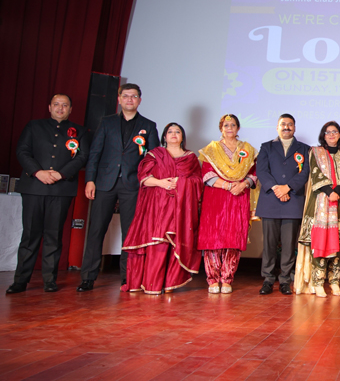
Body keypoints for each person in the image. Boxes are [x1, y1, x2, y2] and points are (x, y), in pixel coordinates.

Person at [78, 84, 159, 292]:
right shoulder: (106, 122)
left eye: (134, 96)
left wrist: (148, 182)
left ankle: (127, 277)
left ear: (140, 100)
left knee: (129, 233)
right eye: (126, 96)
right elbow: (95, 153)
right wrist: (90, 180)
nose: (129, 99)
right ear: (119, 99)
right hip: (104, 182)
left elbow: (154, 158)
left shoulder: (149, 125)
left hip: (133, 185)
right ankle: (88, 277)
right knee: (96, 230)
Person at [7, 94, 90, 294]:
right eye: (56, 104)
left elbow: (82, 157)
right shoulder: (34, 126)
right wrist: (38, 172)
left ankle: (50, 280)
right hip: (34, 187)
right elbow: (22, 151)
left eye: (65, 105)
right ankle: (20, 280)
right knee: (30, 235)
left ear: (70, 109)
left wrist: (61, 174)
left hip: (61, 189)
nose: (60, 108)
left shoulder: (80, 131)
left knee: (54, 235)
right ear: (49, 107)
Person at [121, 123, 203, 294]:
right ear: (164, 136)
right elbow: (143, 177)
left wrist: (181, 182)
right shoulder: (154, 155)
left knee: (175, 243)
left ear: (182, 136)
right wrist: (161, 183)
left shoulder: (190, 158)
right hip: (156, 206)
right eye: (170, 131)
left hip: (180, 207)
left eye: (177, 131)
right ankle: (152, 284)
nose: (174, 134)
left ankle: (170, 283)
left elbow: (198, 181)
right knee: (158, 243)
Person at [197, 114, 258, 294]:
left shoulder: (248, 149)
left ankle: (227, 279)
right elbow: (206, 174)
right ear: (221, 128)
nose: (229, 128)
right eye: (226, 125)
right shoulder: (211, 149)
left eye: (232, 125)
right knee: (213, 238)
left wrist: (243, 185)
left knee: (234, 238)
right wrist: (228, 185)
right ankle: (213, 279)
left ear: (238, 128)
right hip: (216, 196)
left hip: (239, 196)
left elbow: (254, 174)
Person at [296, 121, 340, 298]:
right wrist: (330, 192)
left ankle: (335, 281)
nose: (331, 135)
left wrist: (337, 193)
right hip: (320, 202)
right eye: (328, 132)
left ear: (339, 134)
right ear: (323, 135)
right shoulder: (315, 152)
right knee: (319, 242)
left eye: (334, 131)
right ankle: (318, 282)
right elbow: (315, 174)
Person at [255, 114, 310, 295]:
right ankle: (268, 279)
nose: (286, 127)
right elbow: (262, 171)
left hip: (293, 201)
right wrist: (277, 188)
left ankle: (285, 280)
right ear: (277, 127)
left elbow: (305, 173)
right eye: (283, 124)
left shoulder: (304, 149)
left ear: (295, 127)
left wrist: (288, 188)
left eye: (290, 124)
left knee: (288, 245)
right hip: (270, 201)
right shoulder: (266, 147)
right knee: (269, 244)